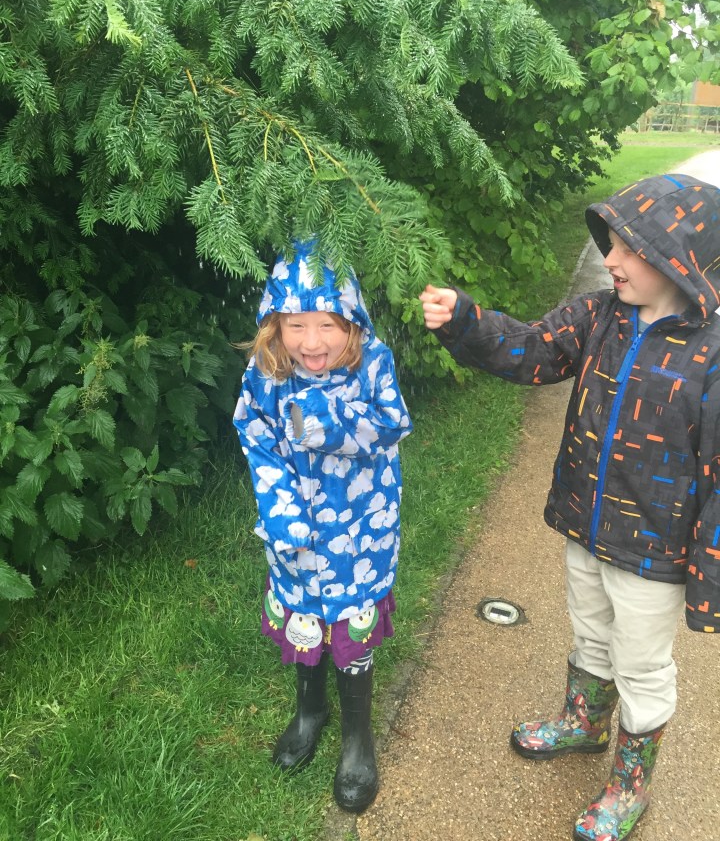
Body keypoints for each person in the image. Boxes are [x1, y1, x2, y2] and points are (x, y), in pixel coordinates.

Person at [419, 173, 720, 841]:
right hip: (587, 520)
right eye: (608, 245)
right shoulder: (598, 316)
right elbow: (532, 351)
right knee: (589, 630)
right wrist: (466, 319)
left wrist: (709, 578)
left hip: (654, 552)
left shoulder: (712, 351)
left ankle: (630, 783)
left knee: (641, 664)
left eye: (629, 248)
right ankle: (584, 722)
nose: (610, 259)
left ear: (679, 259)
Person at [233, 239, 412, 813]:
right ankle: (311, 710)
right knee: (305, 618)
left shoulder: (372, 361)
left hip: (361, 532)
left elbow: (392, 423)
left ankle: (358, 736)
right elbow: (256, 437)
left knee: (350, 625)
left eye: (328, 325)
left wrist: (321, 420)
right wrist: (280, 510)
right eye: (296, 325)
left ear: (352, 321)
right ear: (274, 324)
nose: (312, 343)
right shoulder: (266, 371)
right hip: (295, 538)